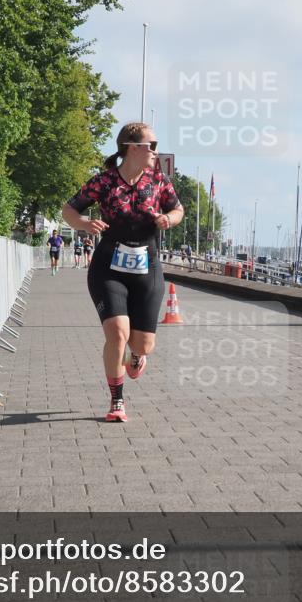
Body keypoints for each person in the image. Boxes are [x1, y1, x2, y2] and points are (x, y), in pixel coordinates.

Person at [61, 122, 184, 422]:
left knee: (142, 344)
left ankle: (136, 356)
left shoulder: (159, 181)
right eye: (150, 146)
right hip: (109, 265)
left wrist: (169, 218)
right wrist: (84, 224)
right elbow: (69, 209)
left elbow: (179, 210)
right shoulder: (104, 182)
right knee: (117, 334)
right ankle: (117, 401)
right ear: (132, 147)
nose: (155, 151)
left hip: (147, 266)